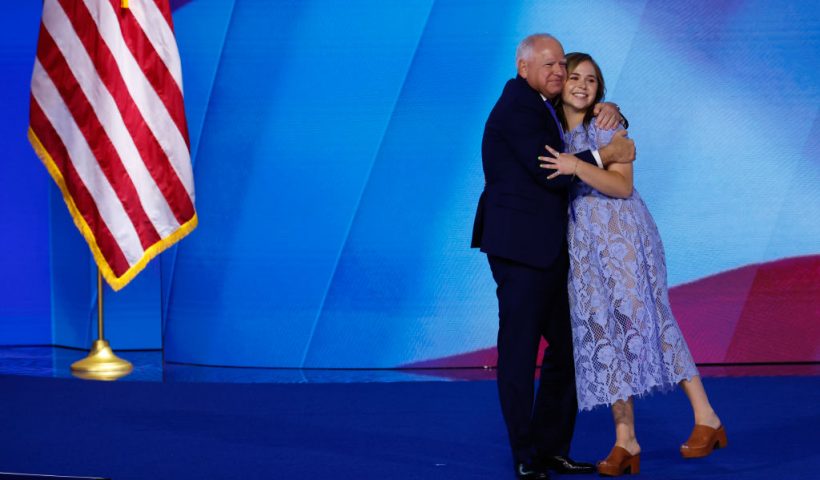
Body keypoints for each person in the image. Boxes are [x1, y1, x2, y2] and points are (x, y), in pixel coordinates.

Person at [538, 52, 726, 477]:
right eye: (574, 77)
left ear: (600, 89)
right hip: (583, 246)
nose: (582, 85)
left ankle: (707, 417)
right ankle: (626, 440)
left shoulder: (607, 126)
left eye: (591, 80)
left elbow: (622, 186)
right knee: (603, 331)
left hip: (624, 237)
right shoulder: (550, 128)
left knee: (649, 320)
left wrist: (578, 165)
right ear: (560, 83)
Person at [472, 34, 636, 479]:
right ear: (523, 67)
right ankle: (525, 456)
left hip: (548, 249)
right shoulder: (518, 107)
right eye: (549, 65)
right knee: (519, 351)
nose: (559, 72)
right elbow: (553, 171)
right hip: (520, 249)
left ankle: (550, 449)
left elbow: (581, 111)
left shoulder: (542, 104)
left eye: (562, 64)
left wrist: (611, 109)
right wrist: (607, 154)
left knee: (570, 346)